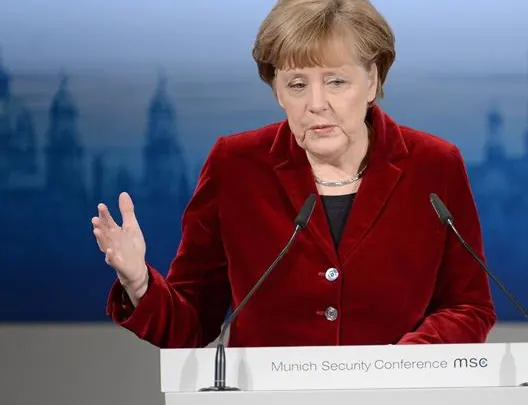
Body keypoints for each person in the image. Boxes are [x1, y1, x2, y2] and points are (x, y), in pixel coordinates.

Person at [91, 0, 496, 348]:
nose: (316, 103)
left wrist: (403, 362)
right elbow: (191, 323)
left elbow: (470, 307)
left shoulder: (434, 164)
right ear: (277, 91)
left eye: (336, 81)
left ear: (372, 80)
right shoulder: (235, 165)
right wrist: (140, 284)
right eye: (298, 84)